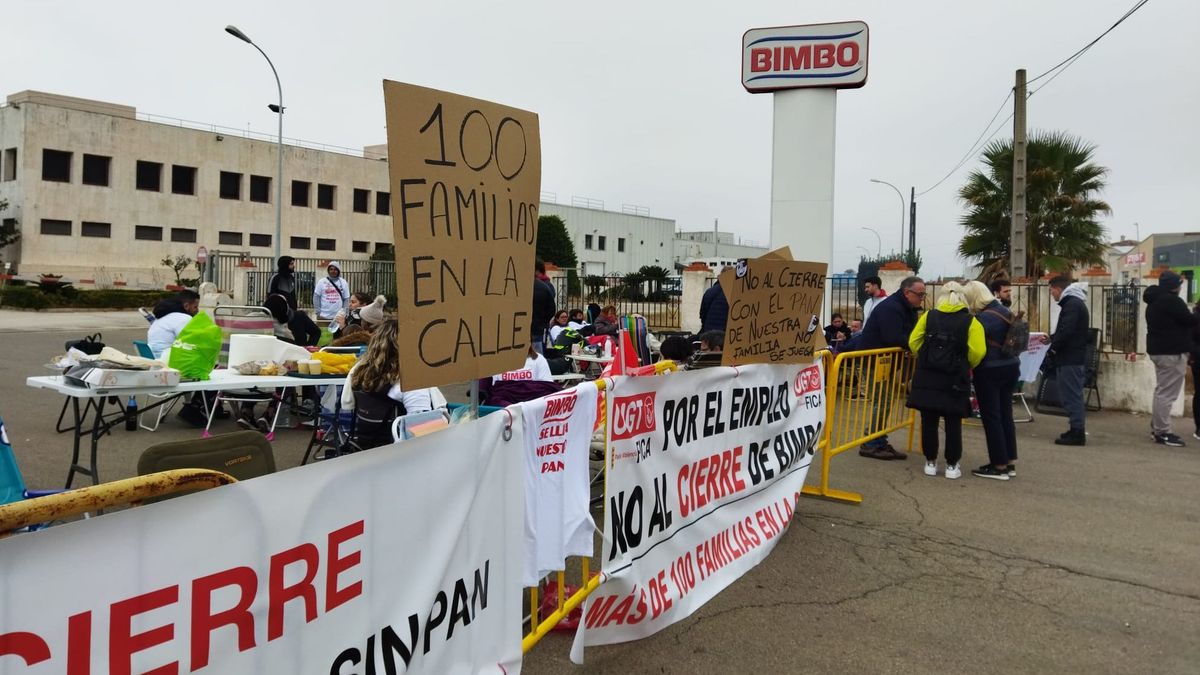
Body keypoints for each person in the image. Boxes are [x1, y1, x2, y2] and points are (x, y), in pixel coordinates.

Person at [906, 281, 985, 479]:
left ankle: (930, 462)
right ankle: (951, 465)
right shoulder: (971, 321)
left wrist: (926, 357)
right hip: (955, 378)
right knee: (953, 422)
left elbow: (913, 341)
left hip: (928, 377)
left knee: (929, 421)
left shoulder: (929, 316)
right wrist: (967, 364)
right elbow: (978, 351)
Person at [854, 276, 925, 460]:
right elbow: (893, 336)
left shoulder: (906, 307)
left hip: (884, 362)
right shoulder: (891, 308)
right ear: (907, 293)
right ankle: (871, 443)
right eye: (920, 294)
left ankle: (878, 440)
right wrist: (915, 344)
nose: (922, 298)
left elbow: (908, 333)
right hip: (872, 362)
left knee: (885, 401)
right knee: (883, 401)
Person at [341, 320, 437, 451]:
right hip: (398, 456)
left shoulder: (359, 370)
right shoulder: (409, 381)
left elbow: (347, 404)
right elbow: (423, 432)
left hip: (364, 448)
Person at [963, 280, 1020, 480]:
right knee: (1006, 414)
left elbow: (975, 347)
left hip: (990, 369)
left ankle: (998, 465)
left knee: (991, 416)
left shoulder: (981, 319)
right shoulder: (1005, 311)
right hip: (1011, 366)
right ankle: (1010, 461)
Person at [1143, 270, 1195, 447]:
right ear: (1175, 286)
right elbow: (1190, 321)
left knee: (1161, 391)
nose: (1181, 287)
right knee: (1166, 394)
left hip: (1159, 351)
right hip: (1171, 352)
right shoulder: (1172, 301)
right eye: (1179, 284)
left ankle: (1157, 427)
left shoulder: (1154, 301)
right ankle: (1162, 432)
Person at [1043, 276, 1090, 446]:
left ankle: (1077, 431)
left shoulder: (1071, 305)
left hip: (1070, 357)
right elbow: (1067, 330)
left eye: (1051, 290)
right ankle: (1075, 428)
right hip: (1072, 356)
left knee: (1071, 395)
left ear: (1058, 288)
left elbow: (1067, 330)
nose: (1051, 294)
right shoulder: (1075, 303)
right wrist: (1052, 339)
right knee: (1071, 394)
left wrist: (1054, 347)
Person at [479, 345, 559, 407]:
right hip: (504, 410)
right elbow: (492, 394)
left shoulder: (538, 359)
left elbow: (548, 389)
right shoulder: (493, 361)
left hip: (532, 406)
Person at [146, 290, 200, 357]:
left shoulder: (162, 317)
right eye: (195, 307)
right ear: (186, 306)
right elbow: (190, 342)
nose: (197, 311)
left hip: (154, 358)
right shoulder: (184, 318)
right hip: (167, 361)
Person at [531, 260, 556, 353]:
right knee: (538, 357)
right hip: (538, 328)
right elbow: (551, 309)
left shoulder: (523, 284)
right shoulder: (546, 286)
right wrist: (543, 322)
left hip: (523, 328)